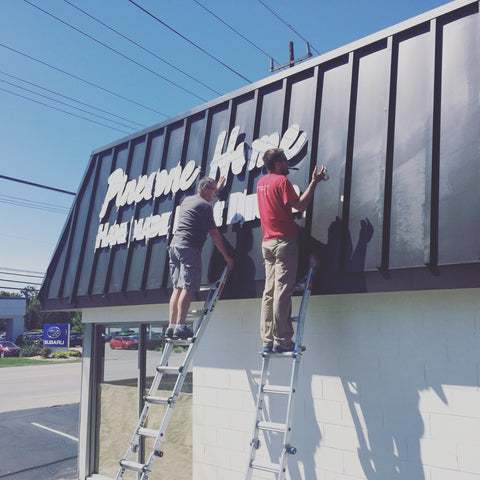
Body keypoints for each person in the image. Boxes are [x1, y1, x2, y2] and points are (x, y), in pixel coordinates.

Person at [257, 148, 326, 353]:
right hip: (283, 242)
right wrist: (315, 182)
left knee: (269, 292)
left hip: (267, 242)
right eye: (285, 162)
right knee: (282, 292)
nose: (287, 165)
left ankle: (267, 340)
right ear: (278, 164)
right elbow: (301, 206)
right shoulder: (282, 182)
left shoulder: (261, 183)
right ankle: (283, 340)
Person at [167, 176, 234, 339]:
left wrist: (217, 187)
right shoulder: (204, 206)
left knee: (177, 287)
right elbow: (214, 233)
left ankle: (171, 326)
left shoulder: (188, 201)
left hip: (175, 246)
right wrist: (227, 257)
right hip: (189, 248)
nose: (215, 194)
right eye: (212, 190)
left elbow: (207, 196)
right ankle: (181, 327)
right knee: (188, 287)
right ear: (204, 189)